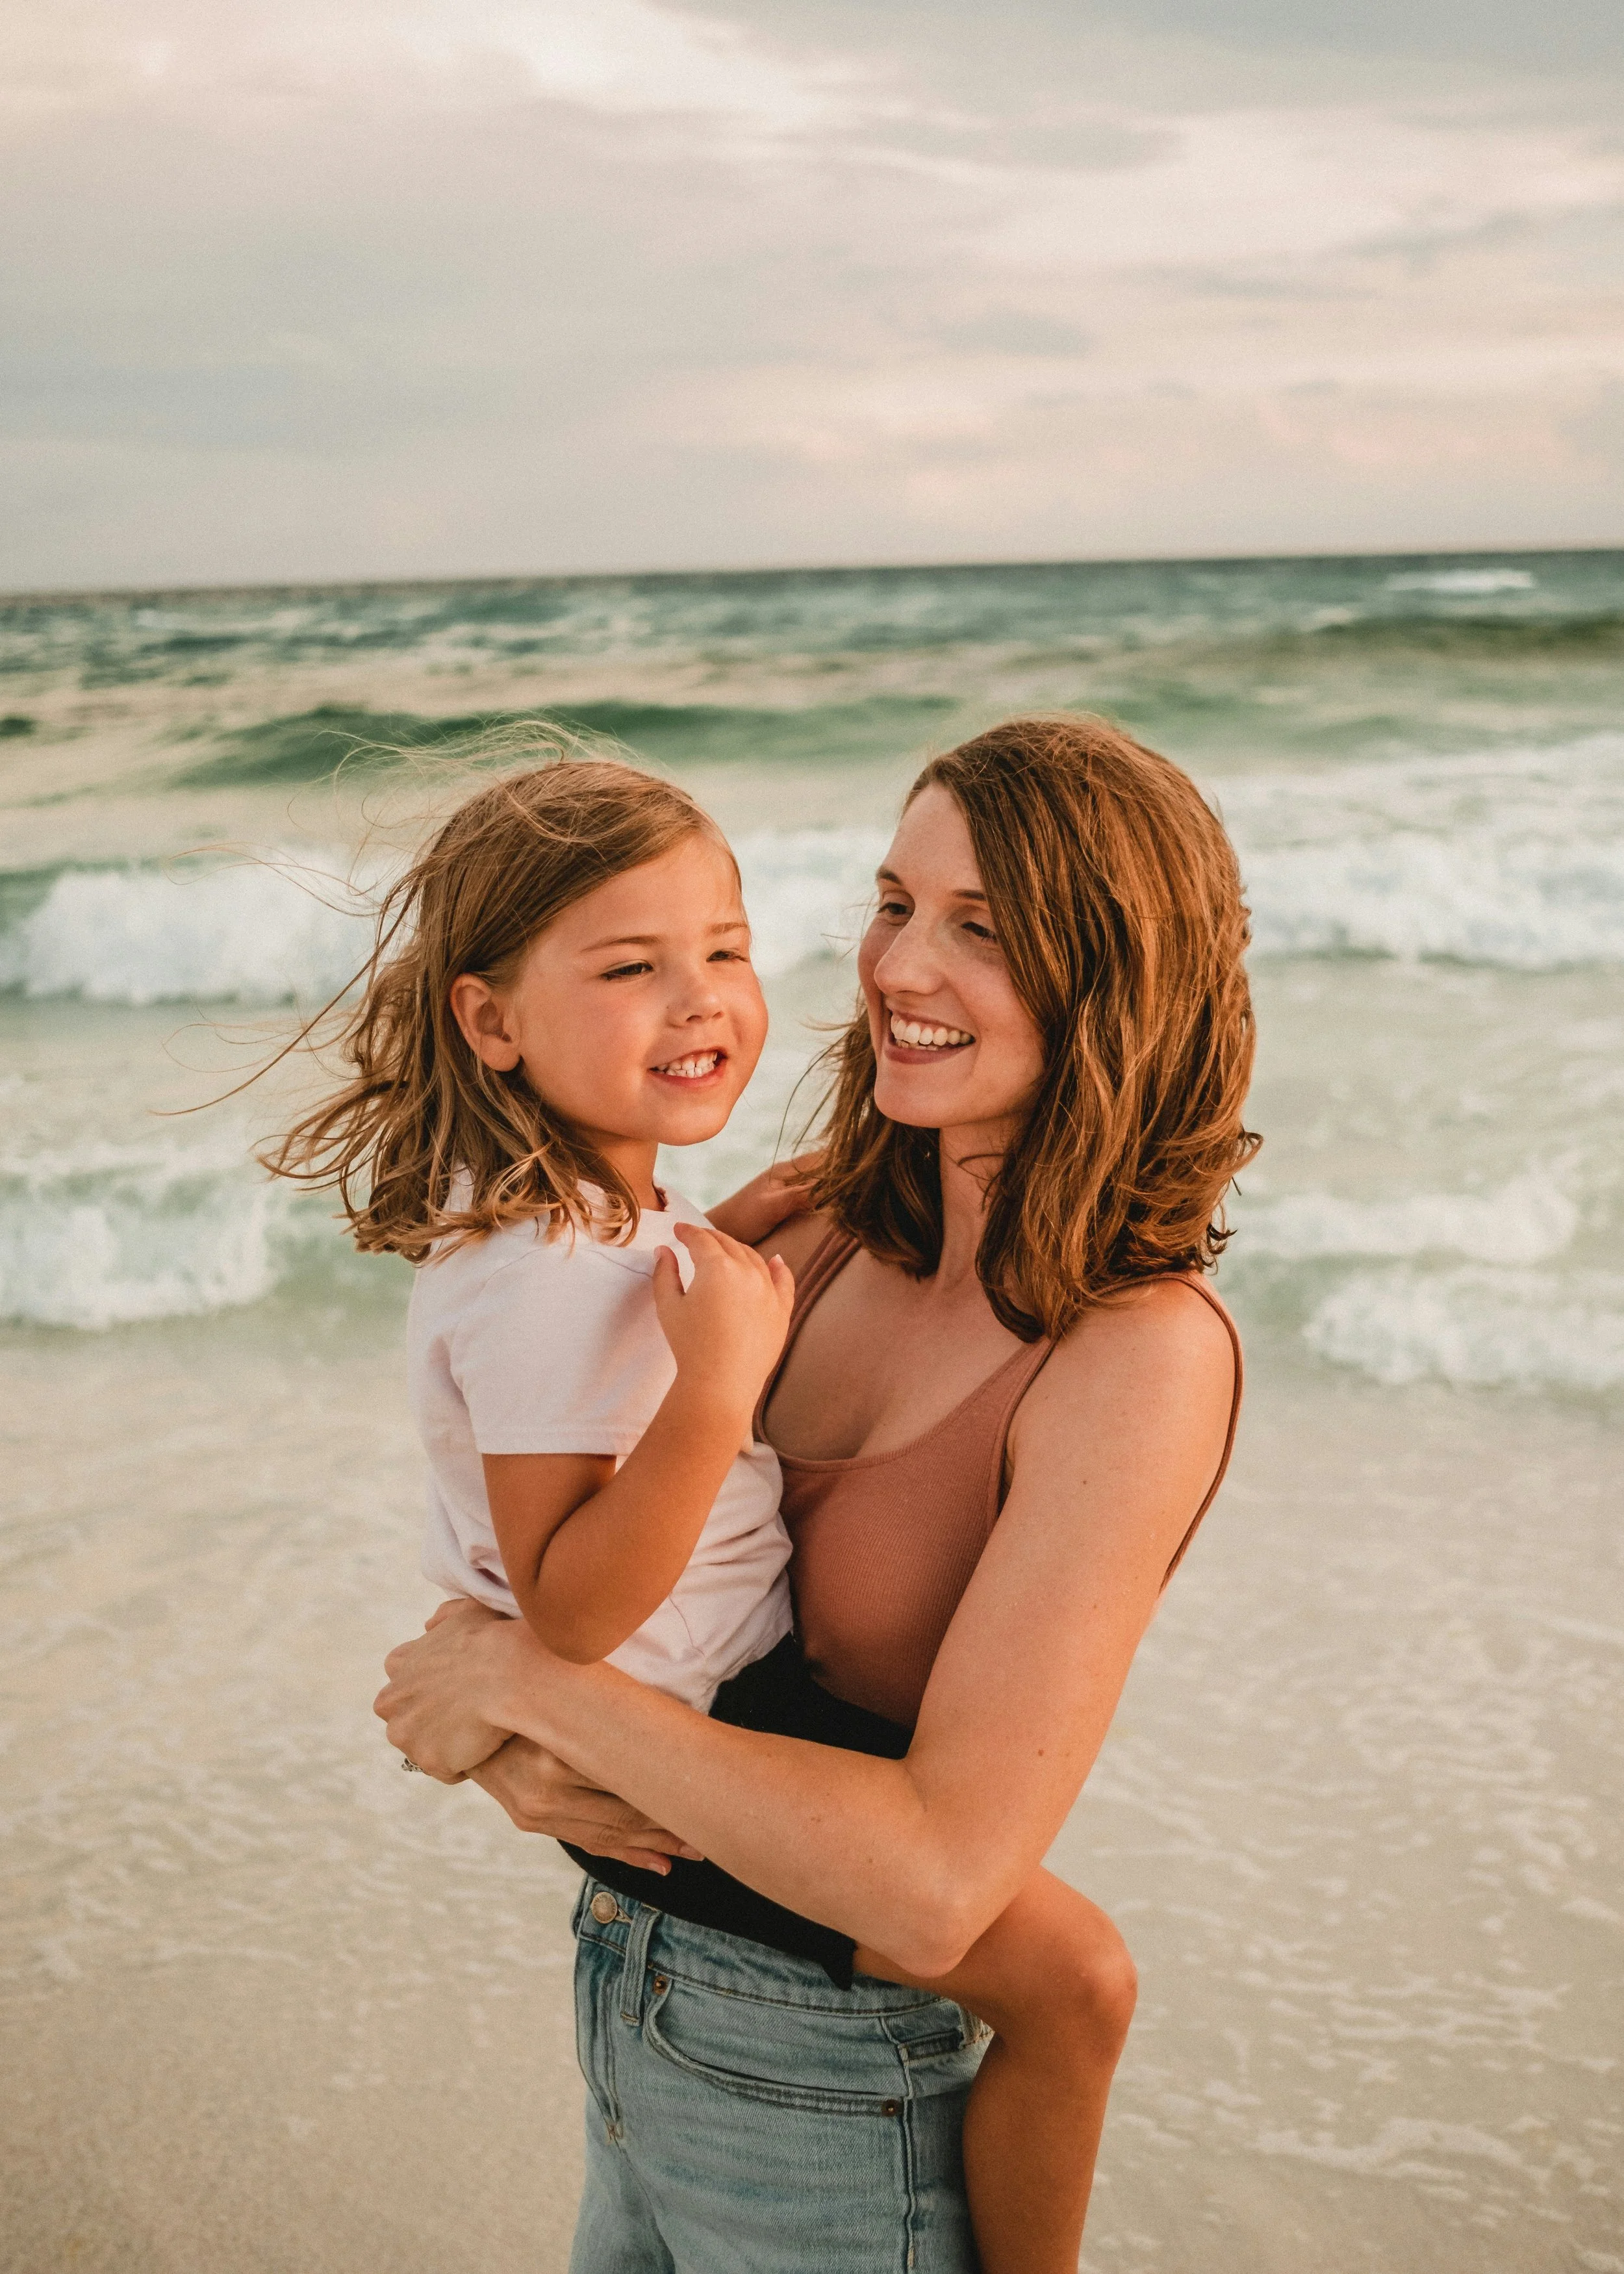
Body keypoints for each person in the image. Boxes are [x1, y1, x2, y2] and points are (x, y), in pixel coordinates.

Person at [270, 747, 1239, 2272]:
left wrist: (529, 1690)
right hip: (628, 2002)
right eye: (890, 901)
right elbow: (552, 1495)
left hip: (826, 2080)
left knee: (1077, 1978)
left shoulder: (1137, 1356)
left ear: (1114, 977)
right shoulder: (807, 1220)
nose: (897, 967)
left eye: (980, 927)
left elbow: (931, 1887)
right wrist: (511, 1742)